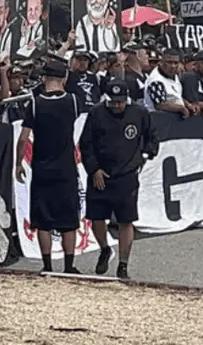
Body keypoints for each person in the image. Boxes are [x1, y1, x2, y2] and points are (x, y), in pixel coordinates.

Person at [80, 78, 158, 280]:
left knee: (126, 220)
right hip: (101, 174)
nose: (117, 105)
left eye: (120, 102)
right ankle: (105, 248)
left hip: (127, 174)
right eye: (113, 101)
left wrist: (146, 155)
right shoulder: (96, 113)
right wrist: (94, 169)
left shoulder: (139, 113)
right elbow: (86, 144)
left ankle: (123, 264)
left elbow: (151, 136)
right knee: (96, 218)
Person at [15, 61, 81, 274]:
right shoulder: (72, 101)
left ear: (44, 79)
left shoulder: (35, 104)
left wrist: (18, 163)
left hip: (42, 166)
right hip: (66, 166)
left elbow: (23, 138)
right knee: (68, 218)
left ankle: (47, 265)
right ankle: (69, 265)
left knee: (43, 219)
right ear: (63, 78)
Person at [144, 49, 189, 118]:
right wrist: (181, 108)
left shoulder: (173, 75)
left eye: (176, 63)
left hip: (172, 120)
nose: (173, 66)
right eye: (169, 62)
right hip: (157, 120)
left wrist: (188, 105)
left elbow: (175, 96)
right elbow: (160, 104)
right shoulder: (156, 80)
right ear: (161, 62)